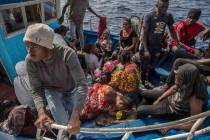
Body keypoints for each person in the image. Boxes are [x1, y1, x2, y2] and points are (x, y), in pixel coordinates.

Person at [23, 23, 87, 135]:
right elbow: (36, 88)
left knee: (75, 120)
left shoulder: (67, 54)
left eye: (34, 46)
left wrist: (76, 115)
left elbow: (81, 84)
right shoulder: (30, 60)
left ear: (47, 45)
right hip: (52, 91)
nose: (29, 51)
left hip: (72, 90)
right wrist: (41, 112)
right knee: (63, 123)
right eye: (27, 46)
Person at [137, 63, 208, 132]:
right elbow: (174, 88)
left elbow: (197, 125)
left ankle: (140, 124)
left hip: (172, 109)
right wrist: (159, 99)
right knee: (144, 93)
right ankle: (147, 111)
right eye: (176, 76)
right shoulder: (187, 81)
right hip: (171, 99)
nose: (175, 81)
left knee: (140, 109)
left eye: (179, 79)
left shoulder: (195, 99)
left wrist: (171, 126)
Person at [140, 0, 179, 88]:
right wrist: (146, 50)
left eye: (166, 6)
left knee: (152, 65)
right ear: (156, 5)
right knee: (144, 67)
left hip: (157, 46)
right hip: (146, 46)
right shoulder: (149, 16)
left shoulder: (168, 16)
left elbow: (172, 30)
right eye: (162, 6)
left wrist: (177, 42)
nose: (165, 9)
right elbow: (144, 34)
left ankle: (149, 80)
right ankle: (142, 83)